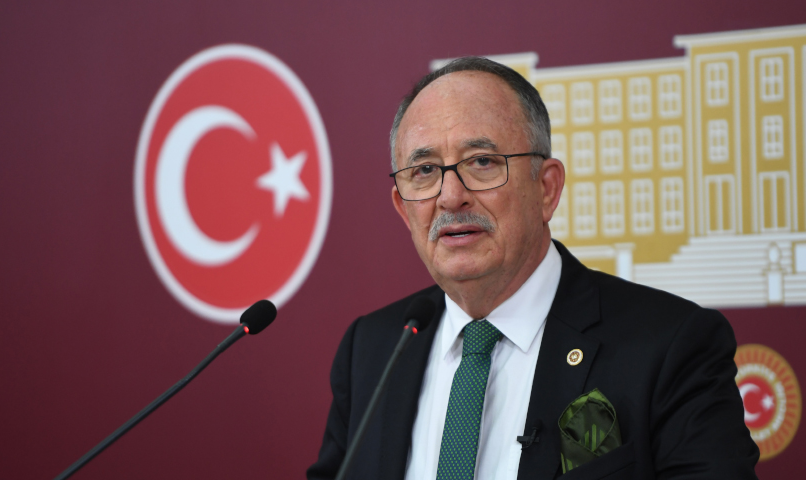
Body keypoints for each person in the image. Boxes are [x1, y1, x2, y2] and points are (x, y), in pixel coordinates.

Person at [307, 57, 758, 479]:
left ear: (546, 189)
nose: (450, 196)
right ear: (404, 209)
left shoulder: (669, 346)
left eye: (482, 162)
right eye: (424, 171)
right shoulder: (372, 350)